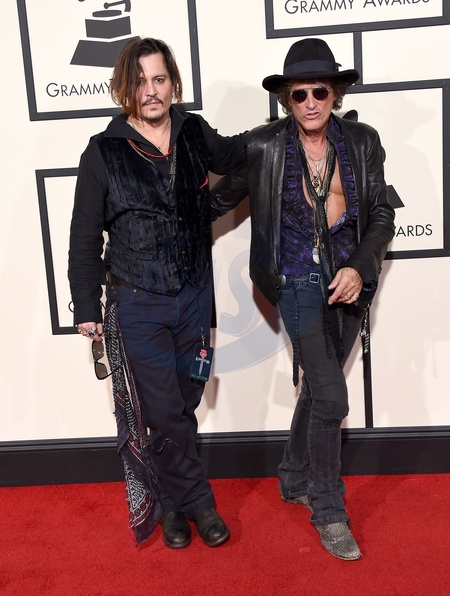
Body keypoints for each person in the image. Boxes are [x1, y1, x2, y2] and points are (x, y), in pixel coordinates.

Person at [210, 38, 395, 560]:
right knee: (333, 398)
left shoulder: (362, 141)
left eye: (320, 91)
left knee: (317, 387)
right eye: (299, 94)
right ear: (285, 99)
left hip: (349, 281)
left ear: (335, 93)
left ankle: (293, 476)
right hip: (295, 280)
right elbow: (213, 203)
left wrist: (359, 267)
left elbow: (382, 214)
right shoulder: (264, 147)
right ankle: (329, 510)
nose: (310, 102)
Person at [68, 37, 246, 549]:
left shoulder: (193, 132)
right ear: (125, 88)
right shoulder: (103, 151)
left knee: (186, 399)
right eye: (140, 81)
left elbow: (241, 157)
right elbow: (85, 236)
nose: (151, 90)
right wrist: (87, 305)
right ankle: (200, 503)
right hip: (138, 300)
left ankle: (170, 503)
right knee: (164, 410)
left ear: (173, 84)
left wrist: (290, 128)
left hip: (194, 296)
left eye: (159, 79)